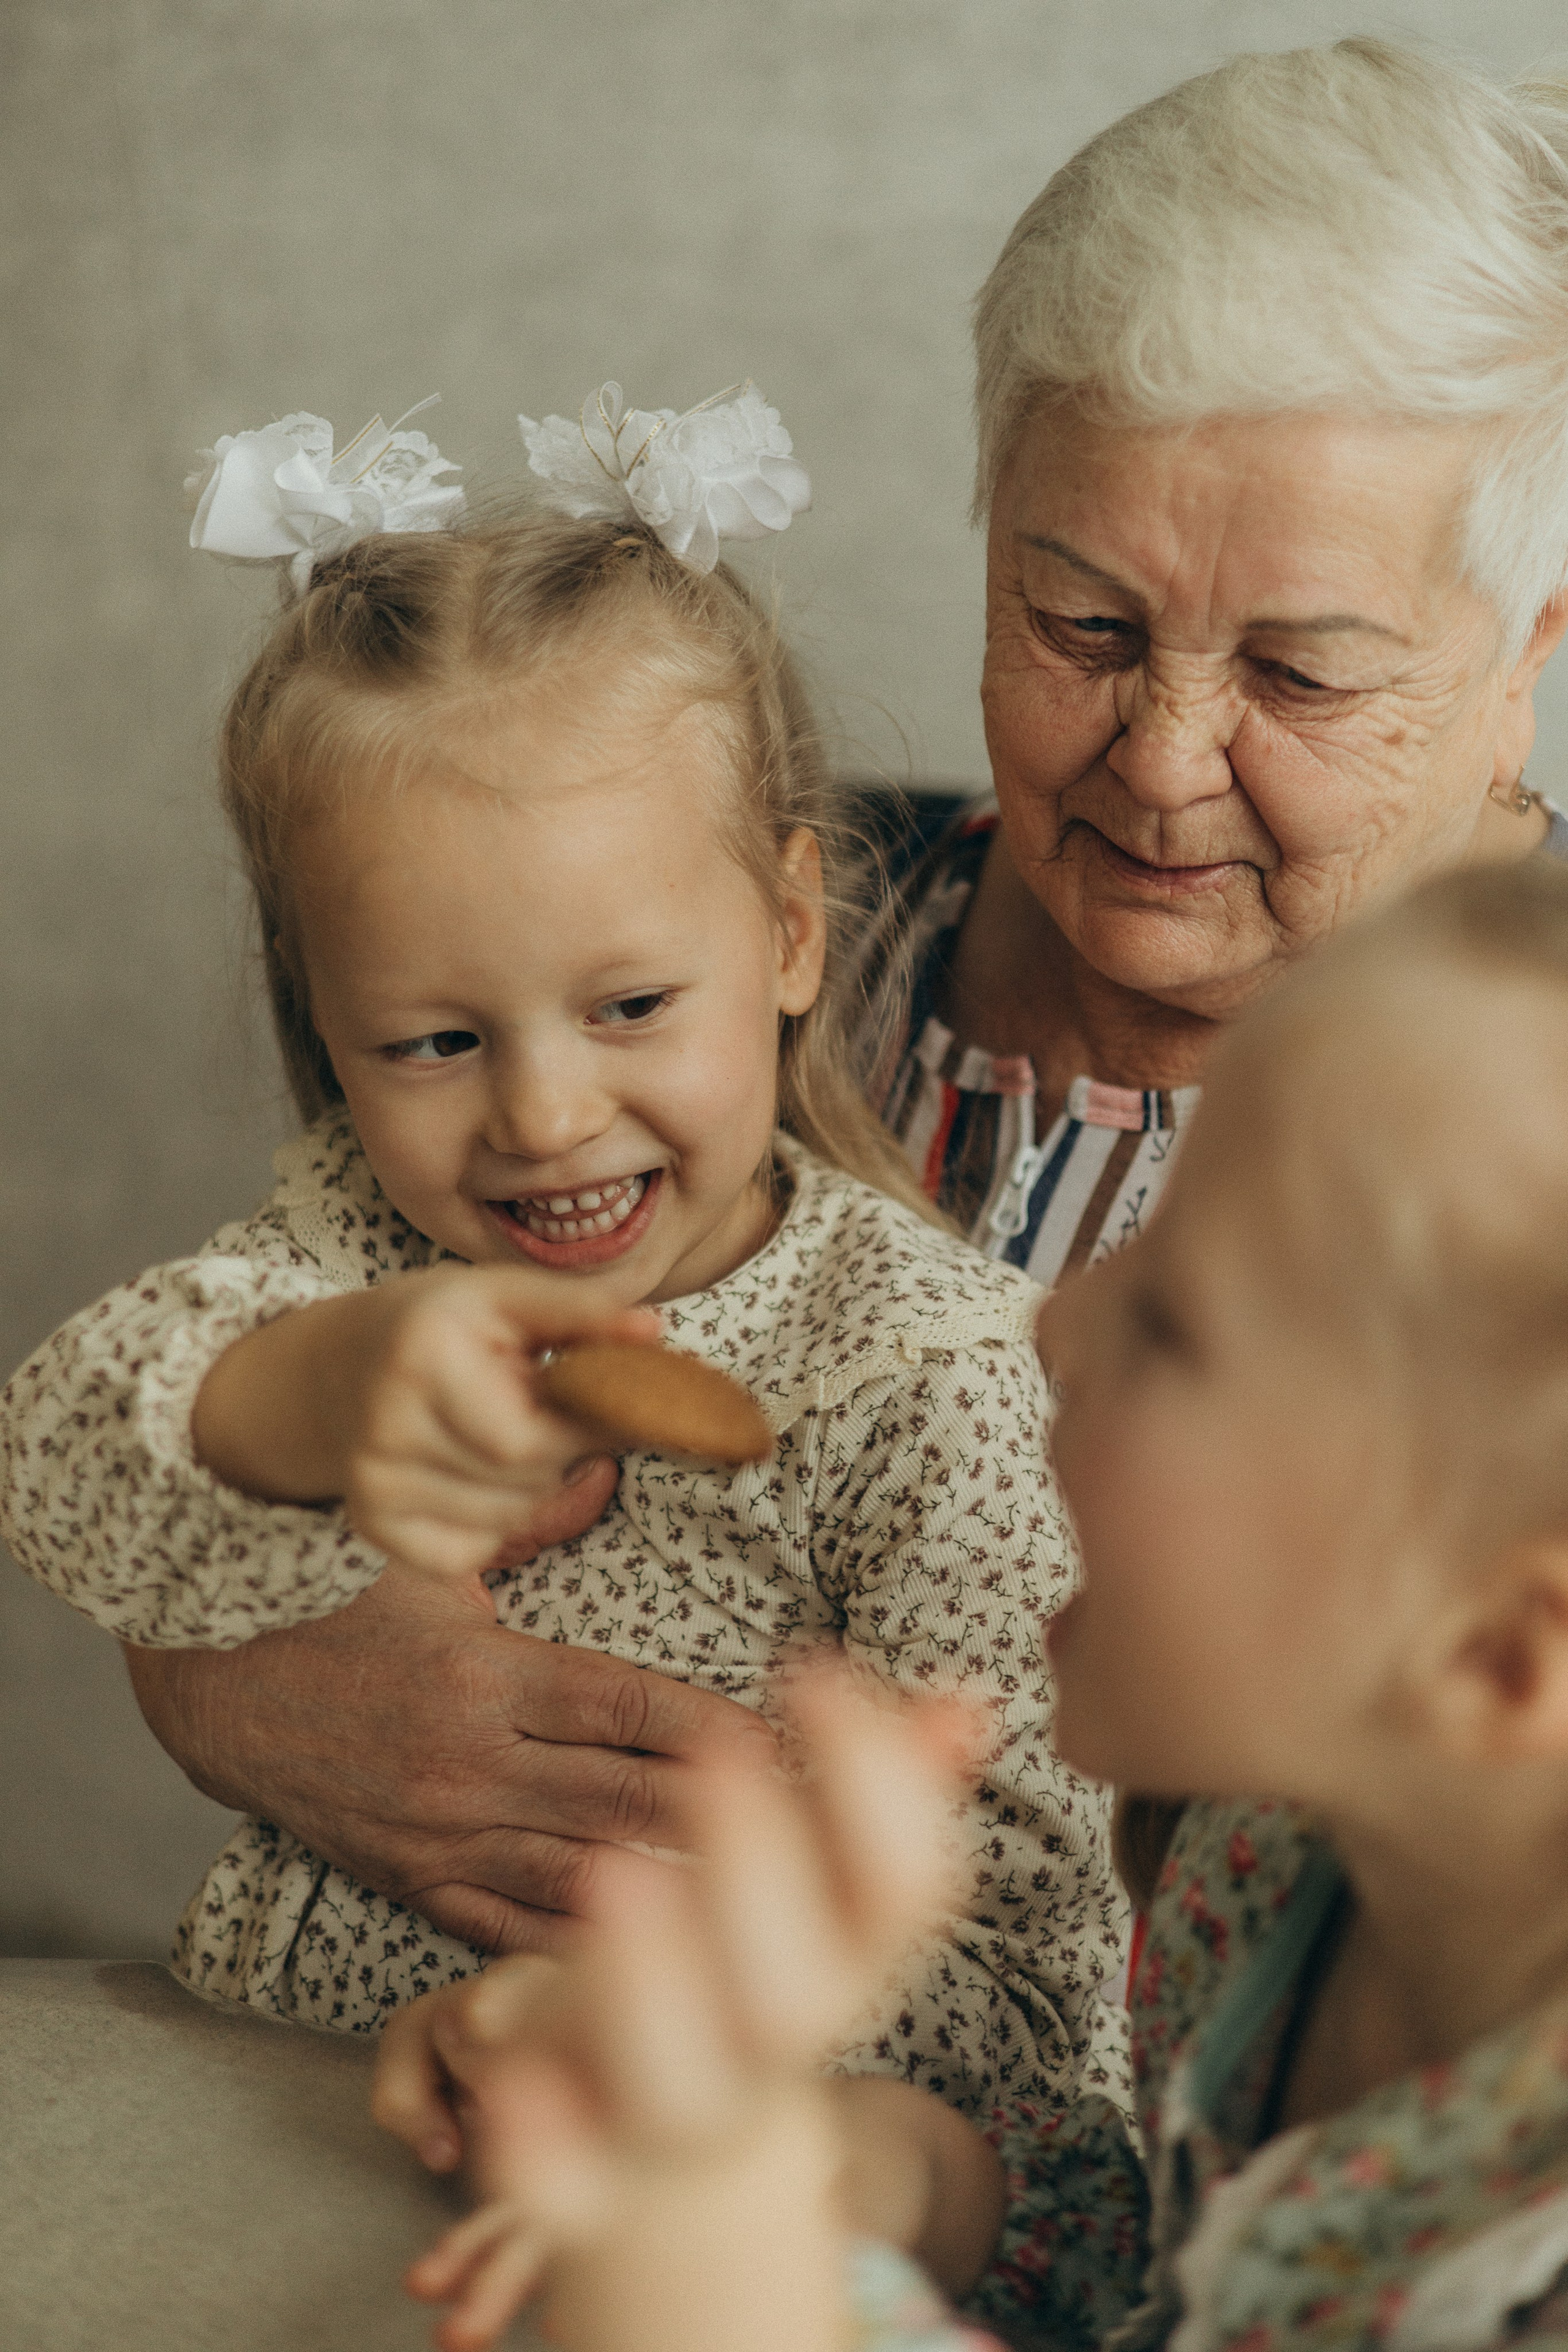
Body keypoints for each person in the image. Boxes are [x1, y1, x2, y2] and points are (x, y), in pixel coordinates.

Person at [113, 40, 1568, 2022]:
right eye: (1081, 624)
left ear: (1527, 661)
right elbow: (245, 1405)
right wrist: (244, 1661)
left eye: (1302, 673)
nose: (1161, 759)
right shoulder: (726, 961)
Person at [0, 387, 1131, 2225]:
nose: (540, 1116)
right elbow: (54, 1466)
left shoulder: (929, 1382)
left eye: (626, 1009)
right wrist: (315, 1386)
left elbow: (1036, 2027)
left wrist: (630, 2025)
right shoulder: (353, 1249)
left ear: (787, 930)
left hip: (672, 2216)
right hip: (259, 2149)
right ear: (323, 1011)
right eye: (436, 1040)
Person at [372, 857, 1568, 2352]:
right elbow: (1172, 2263)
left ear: (1502, 1653)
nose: (1054, 1315)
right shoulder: (1271, 1867)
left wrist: (700, 2209)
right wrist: (839, 2156)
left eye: (1179, 1319)